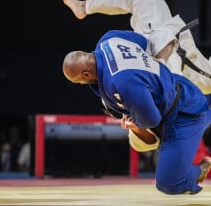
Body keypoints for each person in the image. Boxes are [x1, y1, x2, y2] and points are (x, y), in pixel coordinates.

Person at [62, 29, 211, 195]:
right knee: (140, 137)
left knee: (169, 183)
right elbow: (142, 41)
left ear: (87, 73)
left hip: (186, 115)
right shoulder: (108, 39)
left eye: (80, 81)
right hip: (176, 87)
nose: (82, 84)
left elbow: (152, 120)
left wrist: (135, 120)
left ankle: (197, 171)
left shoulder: (121, 83)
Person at [62, 0, 211, 94]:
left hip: (152, 44)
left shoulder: (104, 45)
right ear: (86, 75)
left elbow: (138, 39)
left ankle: (85, 6)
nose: (92, 55)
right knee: (174, 84)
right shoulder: (111, 89)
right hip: (166, 69)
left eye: (87, 54)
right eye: (88, 58)